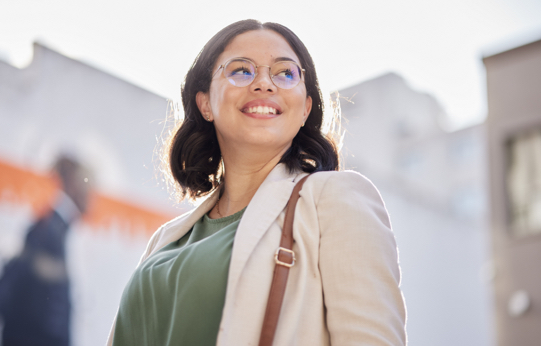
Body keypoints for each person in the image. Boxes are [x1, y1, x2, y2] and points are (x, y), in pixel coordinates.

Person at [108, 19, 406, 345]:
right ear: (205, 102)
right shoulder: (167, 238)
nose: (264, 83)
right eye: (241, 70)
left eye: (285, 73)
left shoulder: (334, 200)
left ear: (306, 108)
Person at [0, 155, 92, 346]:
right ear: (74, 186)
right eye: (88, 187)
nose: (91, 197)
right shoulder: (49, 229)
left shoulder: (59, 229)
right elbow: (16, 275)